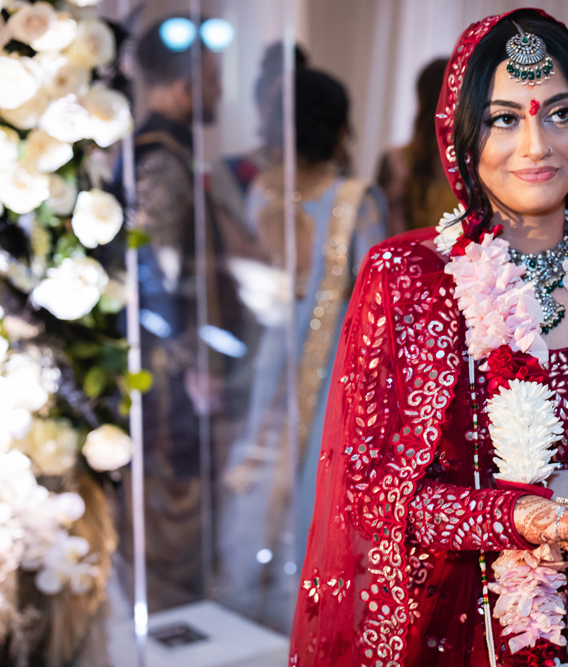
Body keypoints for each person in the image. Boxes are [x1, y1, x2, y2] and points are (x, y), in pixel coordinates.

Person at [290, 9, 568, 666]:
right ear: (460, 133)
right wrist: (531, 518)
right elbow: (379, 496)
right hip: (477, 623)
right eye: (504, 119)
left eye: (559, 113)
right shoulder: (411, 277)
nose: (536, 145)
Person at [218, 68, 386, 632]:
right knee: (321, 471)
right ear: (340, 128)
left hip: (269, 352)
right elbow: (377, 297)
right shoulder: (356, 199)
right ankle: (313, 603)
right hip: (340, 359)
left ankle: (250, 592)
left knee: (265, 462)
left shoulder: (261, 189)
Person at [123, 15, 251, 611]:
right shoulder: (160, 159)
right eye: (212, 79)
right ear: (184, 84)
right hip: (170, 370)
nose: (219, 92)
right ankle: (175, 619)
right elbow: (153, 274)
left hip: (178, 360)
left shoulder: (165, 151)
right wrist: (191, 361)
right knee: (177, 498)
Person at [210, 42, 309, 235]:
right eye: (278, 103)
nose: (287, 114)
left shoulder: (332, 172)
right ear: (260, 106)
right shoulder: (228, 172)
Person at [376, 58, 460, 236]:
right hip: (467, 259)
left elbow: (388, 233)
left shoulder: (397, 160)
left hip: (413, 259)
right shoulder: (398, 161)